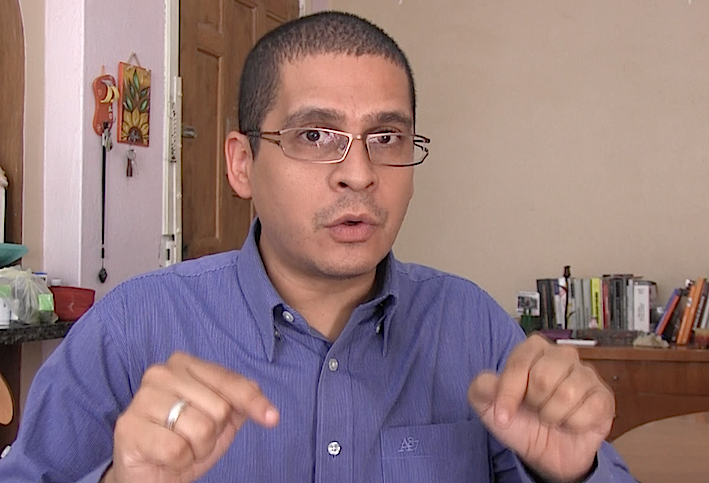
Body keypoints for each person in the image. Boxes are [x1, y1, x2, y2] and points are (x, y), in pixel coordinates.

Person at [0, 11, 633, 483]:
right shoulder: (130, 332)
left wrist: (574, 476)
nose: (359, 174)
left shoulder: (473, 329)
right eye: (314, 135)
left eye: (386, 138)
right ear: (242, 164)